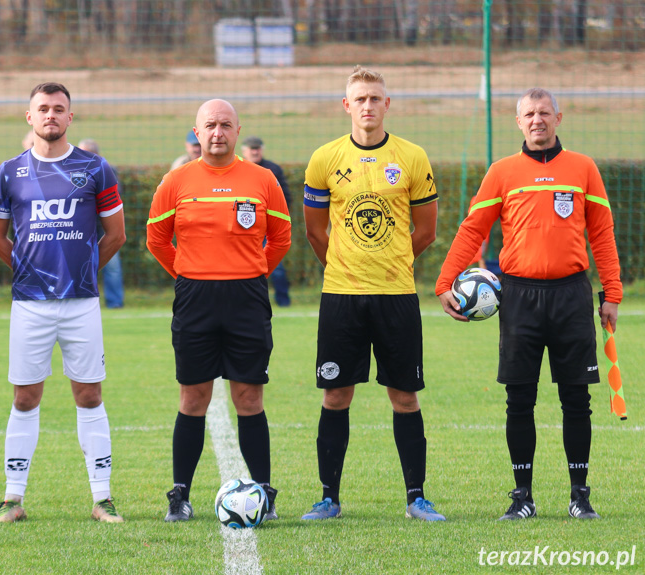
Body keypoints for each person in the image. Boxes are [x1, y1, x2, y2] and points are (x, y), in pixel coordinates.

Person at [436, 87, 622, 521]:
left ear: (559, 117)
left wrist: (611, 293)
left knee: (576, 399)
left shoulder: (583, 169)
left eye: (544, 112)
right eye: (528, 114)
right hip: (518, 297)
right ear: (517, 122)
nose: (537, 120)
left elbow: (602, 233)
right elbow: (471, 230)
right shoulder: (502, 172)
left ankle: (580, 496)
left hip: (572, 296)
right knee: (519, 399)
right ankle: (522, 497)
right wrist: (446, 281)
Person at [302, 66, 445, 522]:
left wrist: (395, 261)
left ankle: (416, 498)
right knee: (335, 395)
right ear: (347, 105)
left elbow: (425, 231)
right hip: (341, 295)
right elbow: (314, 230)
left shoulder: (412, 156)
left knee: (405, 396)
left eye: (375, 98)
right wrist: (343, 266)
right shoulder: (324, 158)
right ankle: (329, 498)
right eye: (360, 99)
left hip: (396, 294)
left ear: (388, 104)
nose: (368, 106)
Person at [0, 82, 127, 524]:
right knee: (25, 398)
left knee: (89, 394)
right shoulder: (8, 172)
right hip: (29, 305)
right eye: (42, 109)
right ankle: (12, 500)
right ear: (29, 117)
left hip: (81, 303)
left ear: (71, 117)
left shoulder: (96, 169)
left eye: (59, 109)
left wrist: (83, 269)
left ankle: (102, 499)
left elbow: (117, 235)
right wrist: (29, 272)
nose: (51, 115)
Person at [147, 99, 291, 522]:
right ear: (196, 131)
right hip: (195, 299)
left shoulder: (262, 180)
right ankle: (180, 495)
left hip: (247, 299)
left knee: (249, 396)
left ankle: (265, 493)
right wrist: (190, 274)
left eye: (226, 125)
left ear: (238, 130)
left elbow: (281, 238)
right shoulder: (175, 182)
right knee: (194, 397)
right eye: (209, 125)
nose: (217, 133)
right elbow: (157, 240)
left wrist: (252, 272)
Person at [242, 135, 292, 307]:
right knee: (243, 267)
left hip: (267, 228)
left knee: (276, 268)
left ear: (262, 150)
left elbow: (285, 198)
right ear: (244, 151)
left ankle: (283, 302)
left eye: (257, 148)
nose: (255, 151)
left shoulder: (273, 170)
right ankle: (248, 302)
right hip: (243, 230)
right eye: (251, 148)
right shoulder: (238, 169)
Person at [78, 138, 125, 309]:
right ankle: (81, 299)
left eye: (87, 154)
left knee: (112, 266)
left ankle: (115, 302)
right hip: (81, 229)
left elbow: (112, 200)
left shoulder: (107, 171)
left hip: (105, 228)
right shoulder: (71, 171)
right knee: (78, 264)